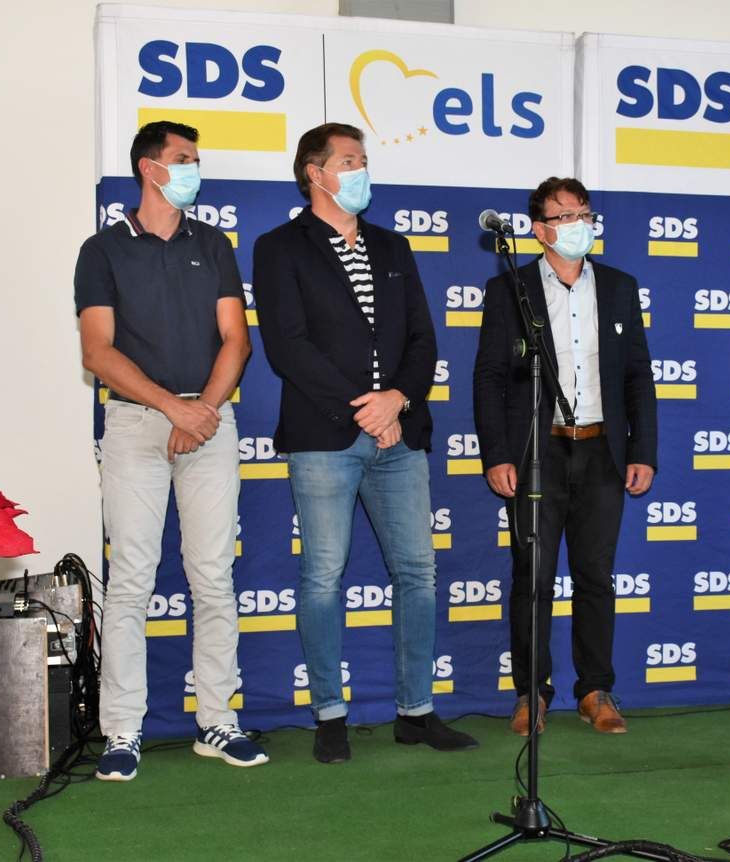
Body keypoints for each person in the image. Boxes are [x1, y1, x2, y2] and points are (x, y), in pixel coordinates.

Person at [252, 122, 477, 763]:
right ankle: (329, 714)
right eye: (348, 160)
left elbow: (423, 338)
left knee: (418, 573)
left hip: (401, 434)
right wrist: (367, 410)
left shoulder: (391, 245)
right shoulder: (280, 247)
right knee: (323, 574)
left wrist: (397, 400)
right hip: (325, 434)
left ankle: (416, 711)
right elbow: (288, 346)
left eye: (362, 159)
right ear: (315, 173)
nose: (360, 170)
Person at [76, 120, 266, 781]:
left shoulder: (211, 243)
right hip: (135, 425)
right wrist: (172, 408)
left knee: (212, 577)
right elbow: (98, 351)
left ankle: (217, 720)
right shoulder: (102, 250)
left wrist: (201, 411)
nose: (193, 168)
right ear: (149, 168)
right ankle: (121, 729)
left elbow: (236, 340)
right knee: (131, 579)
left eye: (194, 159)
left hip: (208, 423)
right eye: (183, 158)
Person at [474, 177, 658, 736]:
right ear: (540, 229)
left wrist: (643, 450)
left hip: (602, 450)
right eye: (564, 215)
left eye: (584, 213)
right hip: (537, 452)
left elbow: (638, 377)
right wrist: (497, 454)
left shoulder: (620, 287)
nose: (578, 224)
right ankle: (531, 692)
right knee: (532, 577)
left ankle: (595, 690)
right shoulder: (511, 289)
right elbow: (488, 378)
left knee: (596, 575)